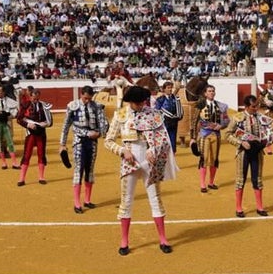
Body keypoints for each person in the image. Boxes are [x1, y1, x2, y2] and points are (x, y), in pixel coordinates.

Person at [104, 84, 176, 255]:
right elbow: (108, 140)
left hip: (150, 162)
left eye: (142, 102)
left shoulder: (153, 114)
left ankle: (163, 239)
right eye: (137, 103)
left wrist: (154, 149)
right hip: (129, 162)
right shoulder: (120, 115)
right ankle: (124, 240)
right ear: (130, 102)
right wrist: (122, 151)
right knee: (126, 201)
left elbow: (163, 139)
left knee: (156, 199)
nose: (141, 106)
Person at [60, 85, 109, 213]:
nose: (87, 100)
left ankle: (87, 200)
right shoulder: (73, 106)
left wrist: (100, 133)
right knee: (78, 171)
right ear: (81, 94)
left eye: (89, 98)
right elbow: (67, 126)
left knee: (90, 170)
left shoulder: (96, 106)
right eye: (85, 98)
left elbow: (104, 123)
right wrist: (62, 144)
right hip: (79, 142)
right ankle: (77, 203)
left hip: (92, 142)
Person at [228, 95, 273, 217]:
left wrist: (268, 140)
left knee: (258, 179)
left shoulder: (261, 118)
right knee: (241, 180)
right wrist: (240, 143)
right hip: (243, 153)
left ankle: (260, 207)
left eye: (257, 106)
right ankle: (238, 208)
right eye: (253, 107)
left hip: (258, 151)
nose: (256, 109)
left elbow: (270, 133)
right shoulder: (237, 117)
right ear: (246, 106)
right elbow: (228, 134)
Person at [191, 84, 230, 193]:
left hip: (216, 135)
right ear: (205, 93)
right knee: (204, 158)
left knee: (214, 159)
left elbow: (227, 120)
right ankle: (203, 184)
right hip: (204, 134)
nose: (211, 92)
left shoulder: (220, 106)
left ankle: (211, 182)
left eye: (213, 91)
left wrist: (221, 126)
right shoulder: (200, 105)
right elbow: (194, 121)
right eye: (209, 91)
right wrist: (193, 138)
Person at [16, 87, 52, 186]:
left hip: (41, 133)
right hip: (30, 133)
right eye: (34, 98)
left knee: (41, 154)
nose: (36, 100)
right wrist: (28, 125)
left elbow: (50, 121)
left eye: (37, 98)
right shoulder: (25, 105)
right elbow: (19, 119)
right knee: (27, 155)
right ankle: (21, 179)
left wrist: (46, 124)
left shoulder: (43, 105)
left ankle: (41, 177)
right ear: (30, 97)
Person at [0, 84, 19, 169]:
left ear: (4, 92)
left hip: (7, 123)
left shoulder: (10, 101)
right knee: (0, 143)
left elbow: (15, 112)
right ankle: (4, 163)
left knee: (10, 143)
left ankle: (14, 163)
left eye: (0, 91)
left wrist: (8, 116)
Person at [153, 80, 183, 151]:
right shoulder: (160, 99)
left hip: (173, 122)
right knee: (164, 139)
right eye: (168, 88)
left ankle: (172, 153)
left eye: (171, 88)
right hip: (164, 123)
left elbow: (179, 110)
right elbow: (157, 111)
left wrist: (178, 117)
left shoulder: (175, 99)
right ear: (164, 89)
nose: (170, 89)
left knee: (173, 139)